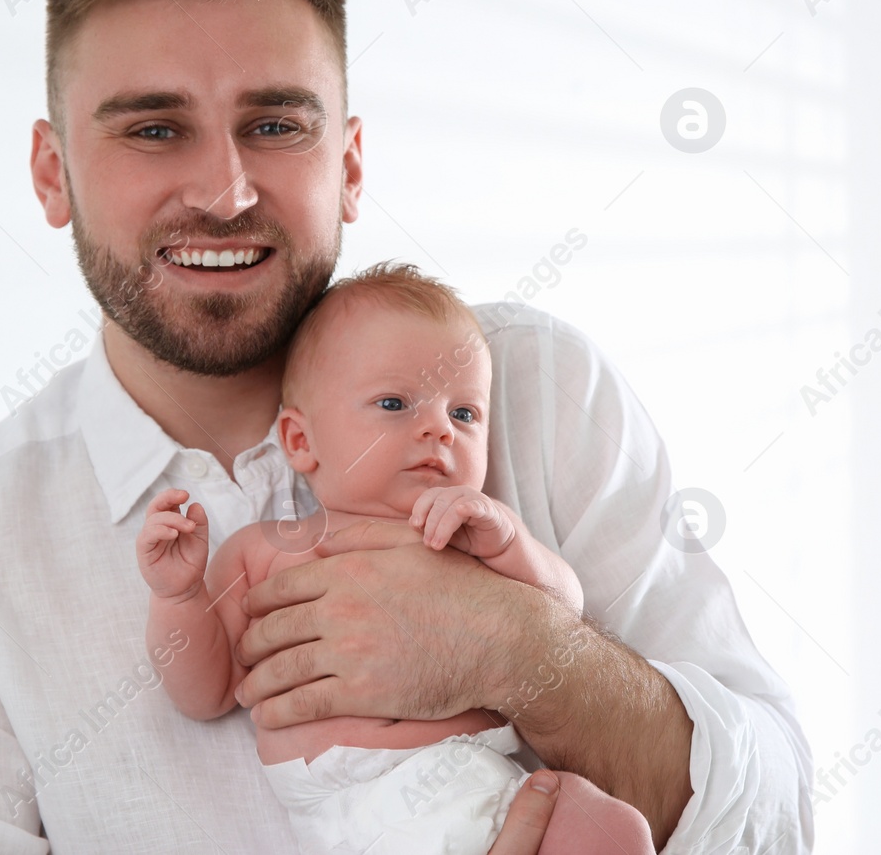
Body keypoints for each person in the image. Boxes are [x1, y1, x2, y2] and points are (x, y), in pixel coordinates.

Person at [0, 0, 813, 853]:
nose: (224, 189)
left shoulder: (534, 390)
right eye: (154, 127)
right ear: (51, 172)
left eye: (277, 124)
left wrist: (518, 645)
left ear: (352, 164)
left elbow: (775, 814)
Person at [138, 262, 656, 854]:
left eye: (464, 413)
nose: (439, 429)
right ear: (301, 441)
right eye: (394, 403)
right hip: (353, 806)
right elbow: (203, 692)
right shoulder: (265, 552)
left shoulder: (468, 535)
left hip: (483, 783)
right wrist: (178, 597)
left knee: (615, 830)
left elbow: (565, 609)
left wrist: (511, 542)